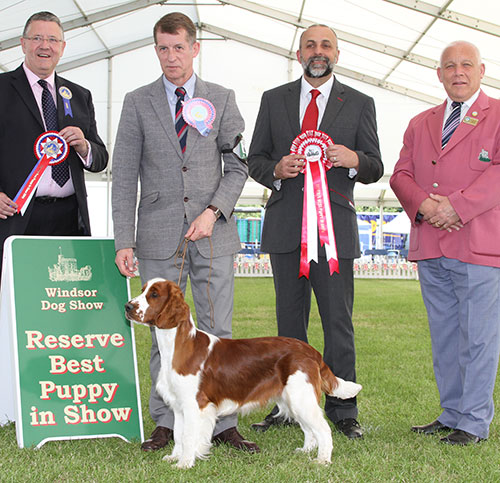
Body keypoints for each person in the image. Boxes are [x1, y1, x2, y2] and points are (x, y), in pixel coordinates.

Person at [112, 12, 257, 453]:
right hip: (155, 233)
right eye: (163, 48)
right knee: (162, 332)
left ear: (196, 48)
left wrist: (214, 211)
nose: (171, 56)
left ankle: (223, 422)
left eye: (179, 47)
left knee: (218, 331)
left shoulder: (223, 98)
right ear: (155, 50)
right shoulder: (137, 102)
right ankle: (167, 422)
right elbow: (123, 175)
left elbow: (239, 164)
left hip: (213, 232)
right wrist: (124, 239)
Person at [247, 24, 383, 439]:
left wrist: (353, 157)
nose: (317, 51)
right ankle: (289, 407)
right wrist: (275, 169)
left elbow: (376, 166)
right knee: (289, 326)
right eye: (310, 45)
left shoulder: (360, 103)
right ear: (299, 53)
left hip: (334, 233)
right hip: (286, 228)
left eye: (325, 45)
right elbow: (255, 159)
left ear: (337, 54)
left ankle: (344, 411)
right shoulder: (274, 100)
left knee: (337, 322)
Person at [390, 41, 500, 446]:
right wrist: (424, 206)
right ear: (438, 73)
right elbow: (401, 174)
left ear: (482, 70)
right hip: (431, 244)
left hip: (479, 246)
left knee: (479, 337)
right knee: (446, 337)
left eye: (466, 65)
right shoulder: (421, 122)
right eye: (449, 66)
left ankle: (473, 422)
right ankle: (452, 411)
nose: (458, 72)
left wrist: (456, 207)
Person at [0, 11, 108, 276]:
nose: (44, 45)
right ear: (23, 43)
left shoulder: (79, 95)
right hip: (16, 217)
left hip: (70, 218)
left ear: (62, 47)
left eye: (52, 39)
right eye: (37, 38)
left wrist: (84, 147)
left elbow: (101, 158)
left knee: (63, 301)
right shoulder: (2, 89)